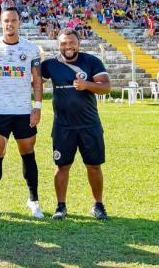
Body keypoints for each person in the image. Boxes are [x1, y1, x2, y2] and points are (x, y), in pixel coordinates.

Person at [41, 28, 111, 220]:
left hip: (89, 125)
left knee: (94, 166)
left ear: (78, 43)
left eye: (71, 42)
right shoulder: (50, 64)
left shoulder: (91, 61)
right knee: (62, 166)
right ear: (58, 45)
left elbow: (106, 86)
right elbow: (34, 81)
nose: (68, 46)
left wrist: (87, 85)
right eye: (64, 43)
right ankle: (61, 206)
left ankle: (98, 205)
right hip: (63, 126)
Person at [0, 7, 44, 219]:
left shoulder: (31, 48)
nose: (10, 24)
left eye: (14, 20)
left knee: (28, 154)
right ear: (1, 23)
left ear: (20, 22)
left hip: (23, 112)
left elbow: (37, 81)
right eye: (6, 21)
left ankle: (34, 200)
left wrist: (37, 107)